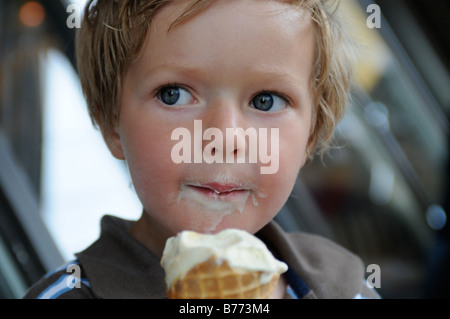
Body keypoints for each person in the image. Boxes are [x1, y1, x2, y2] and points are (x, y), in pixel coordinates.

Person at [24, 0, 379, 299]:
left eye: (266, 101)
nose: (223, 137)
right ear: (110, 122)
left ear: (311, 133)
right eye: (173, 94)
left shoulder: (344, 287)